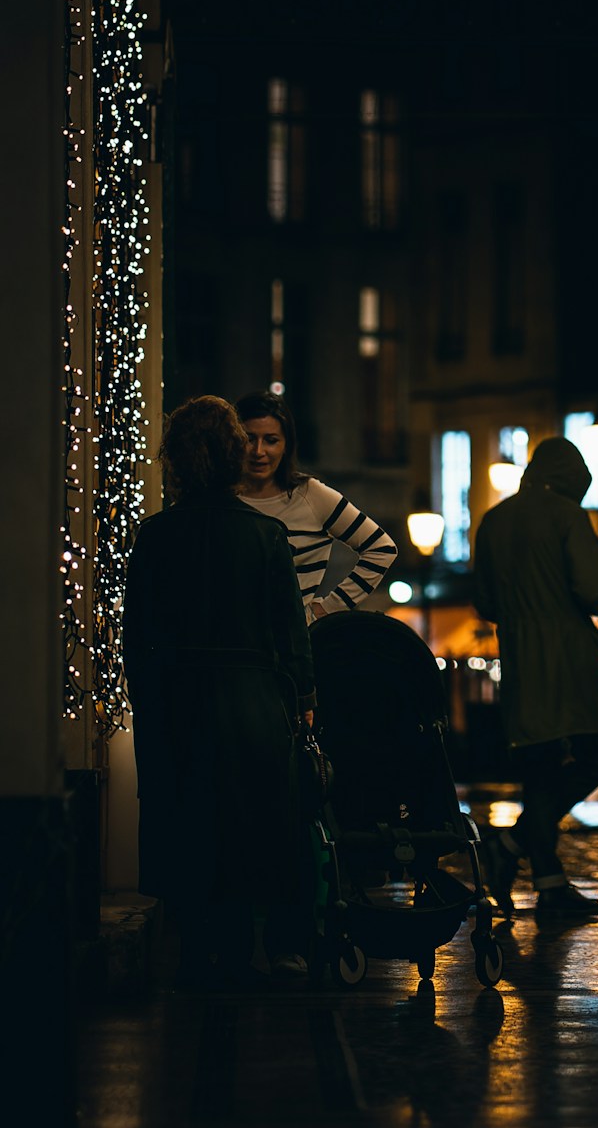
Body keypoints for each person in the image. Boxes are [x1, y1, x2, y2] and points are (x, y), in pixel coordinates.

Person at [124, 396, 317, 987]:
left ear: (176, 460)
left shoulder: (154, 537)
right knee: (247, 823)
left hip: (178, 697)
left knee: (187, 821)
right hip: (252, 700)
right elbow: (289, 634)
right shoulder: (265, 536)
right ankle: (240, 954)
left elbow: (139, 634)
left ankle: (195, 952)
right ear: (235, 455)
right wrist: (302, 703)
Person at [472, 436, 598, 918]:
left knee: (538, 770)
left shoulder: (493, 520)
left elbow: (485, 602)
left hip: (519, 657)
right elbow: (593, 591)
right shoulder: (568, 515)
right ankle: (512, 846)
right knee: (594, 758)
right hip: (568, 658)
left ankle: (548, 882)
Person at [234, 391, 397, 624]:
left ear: (286, 445)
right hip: (232, 646)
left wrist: (327, 609)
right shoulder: (219, 497)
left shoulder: (310, 495)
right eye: (249, 438)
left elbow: (382, 548)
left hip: (292, 646)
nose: (259, 451)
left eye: (271, 440)